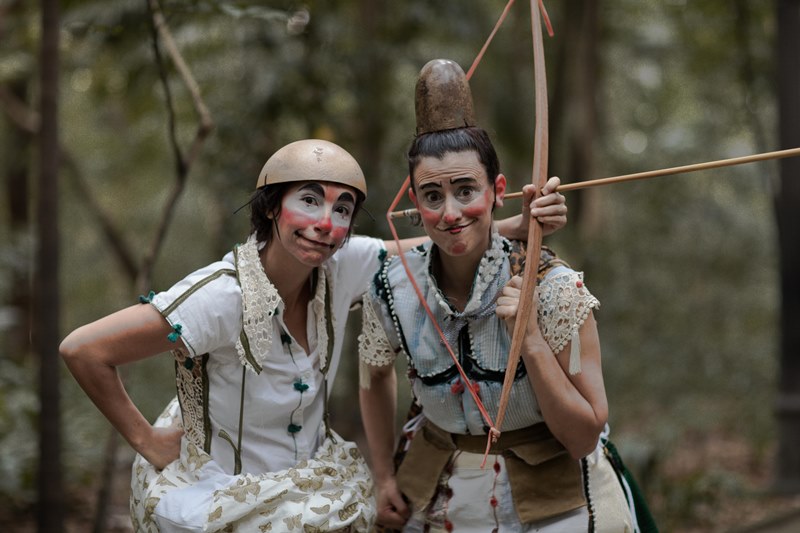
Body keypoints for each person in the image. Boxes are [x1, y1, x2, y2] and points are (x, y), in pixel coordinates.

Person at [60, 137, 568, 532]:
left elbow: (425, 245)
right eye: (309, 201)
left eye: (342, 209)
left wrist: (514, 225)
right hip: (225, 496)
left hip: (311, 484)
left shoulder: (342, 265)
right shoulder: (222, 297)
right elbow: (84, 349)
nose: (325, 224)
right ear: (271, 207)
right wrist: (145, 440)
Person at [358, 59, 637, 532]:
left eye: (467, 190)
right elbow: (374, 376)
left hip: (552, 483)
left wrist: (528, 339)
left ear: (498, 189)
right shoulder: (391, 286)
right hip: (435, 478)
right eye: (431, 196)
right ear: (414, 204)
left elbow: (584, 435)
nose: (450, 213)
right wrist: (384, 475)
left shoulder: (553, 287)